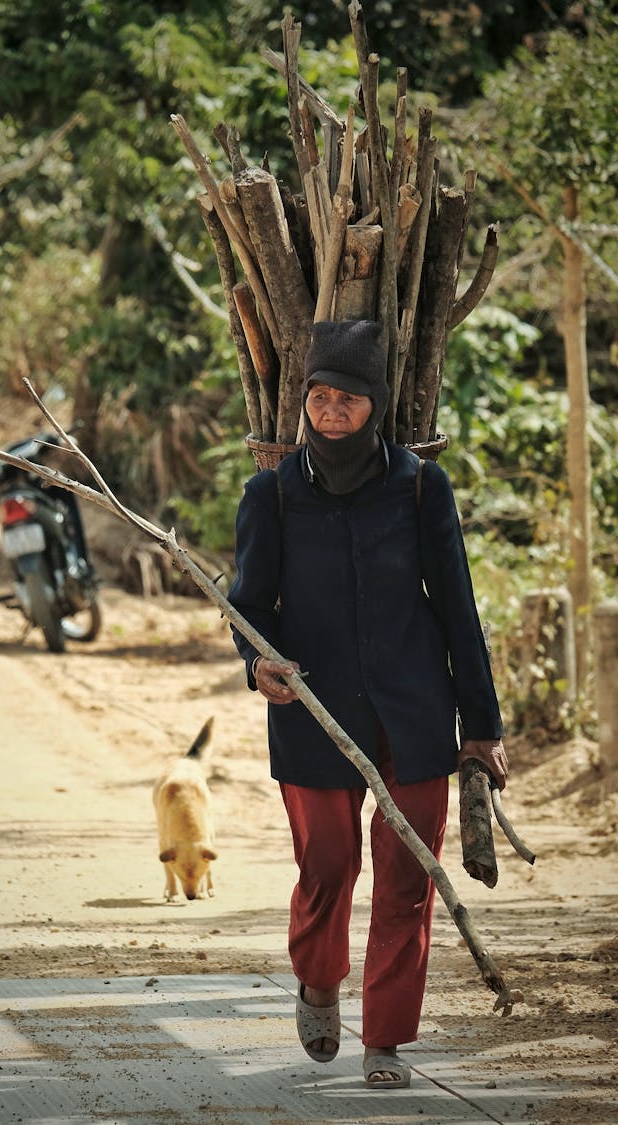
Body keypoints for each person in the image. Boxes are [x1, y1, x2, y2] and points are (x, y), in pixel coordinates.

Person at [228, 318, 508, 1090]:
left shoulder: (420, 487)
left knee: (406, 876)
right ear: (304, 404)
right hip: (312, 712)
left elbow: (457, 605)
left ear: (375, 405)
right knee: (327, 864)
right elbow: (246, 604)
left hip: (414, 712)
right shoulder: (271, 496)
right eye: (320, 397)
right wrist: (259, 664)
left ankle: (384, 1039)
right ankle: (319, 977)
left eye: (348, 399)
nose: (331, 411)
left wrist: (481, 727)